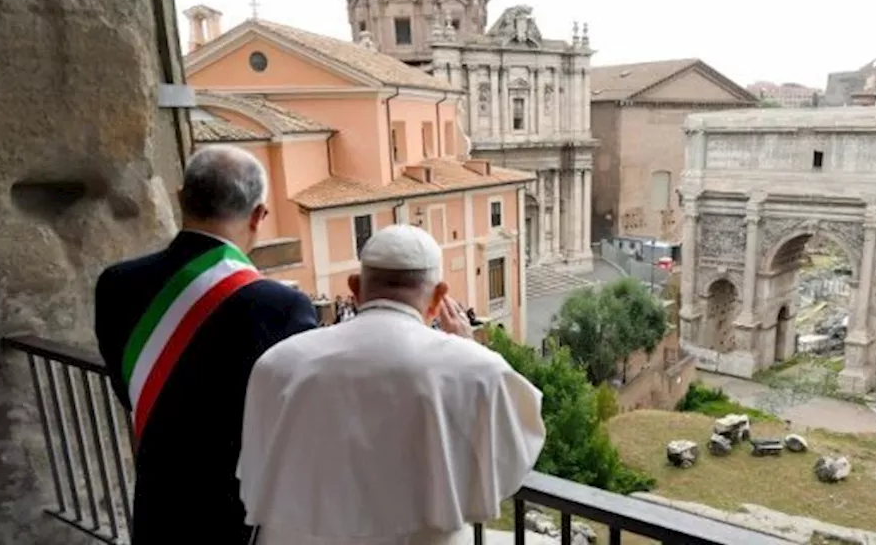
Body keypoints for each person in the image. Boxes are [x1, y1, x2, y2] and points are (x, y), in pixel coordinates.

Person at [237, 224, 545, 545]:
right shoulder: (479, 370)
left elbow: (256, 472)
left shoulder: (277, 364)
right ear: (439, 296)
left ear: (355, 288)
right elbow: (509, 467)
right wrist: (470, 351)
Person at [95, 145, 319, 545]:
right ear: (259, 216)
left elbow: (129, 390)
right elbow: (300, 419)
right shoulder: (283, 307)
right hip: (237, 515)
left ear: (180, 197)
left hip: (157, 502)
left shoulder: (116, 283)